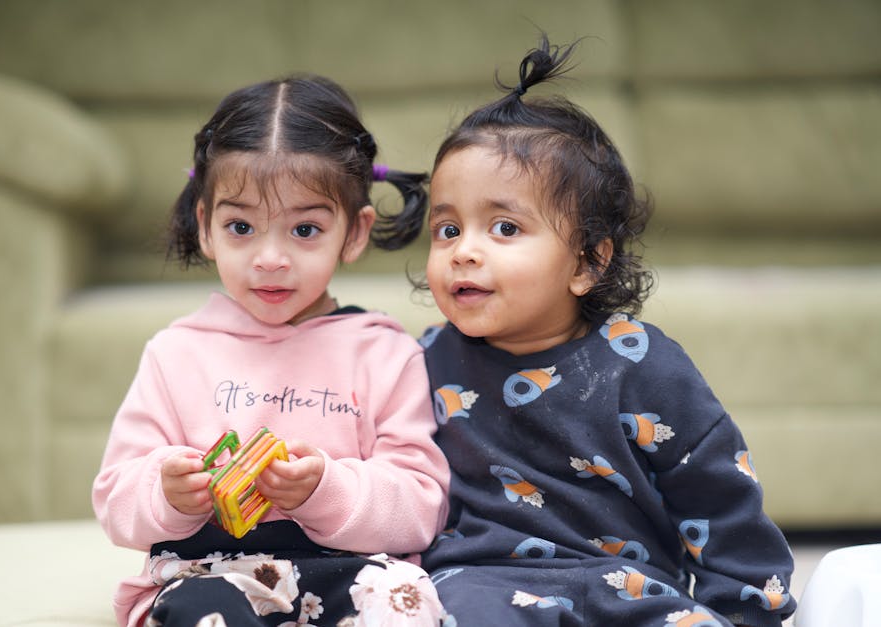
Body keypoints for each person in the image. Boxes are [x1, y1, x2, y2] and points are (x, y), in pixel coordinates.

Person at [415, 36, 796, 626]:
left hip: (631, 590)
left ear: (588, 263)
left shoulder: (643, 365)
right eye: (446, 230)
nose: (464, 251)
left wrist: (745, 611)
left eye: (505, 227)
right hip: (482, 585)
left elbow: (721, 501)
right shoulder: (424, 360)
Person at [92, 75, 450, 627]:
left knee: (405, 598)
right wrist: (166, 492)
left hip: (349, 570)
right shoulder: (177, 353)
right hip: (207, 573)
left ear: (354, 234)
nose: (271, 258)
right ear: (205, 227)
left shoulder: (384, 353)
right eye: (241, 226)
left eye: (305, 229)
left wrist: (325, 488)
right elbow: (115, 504)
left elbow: (422, 507)